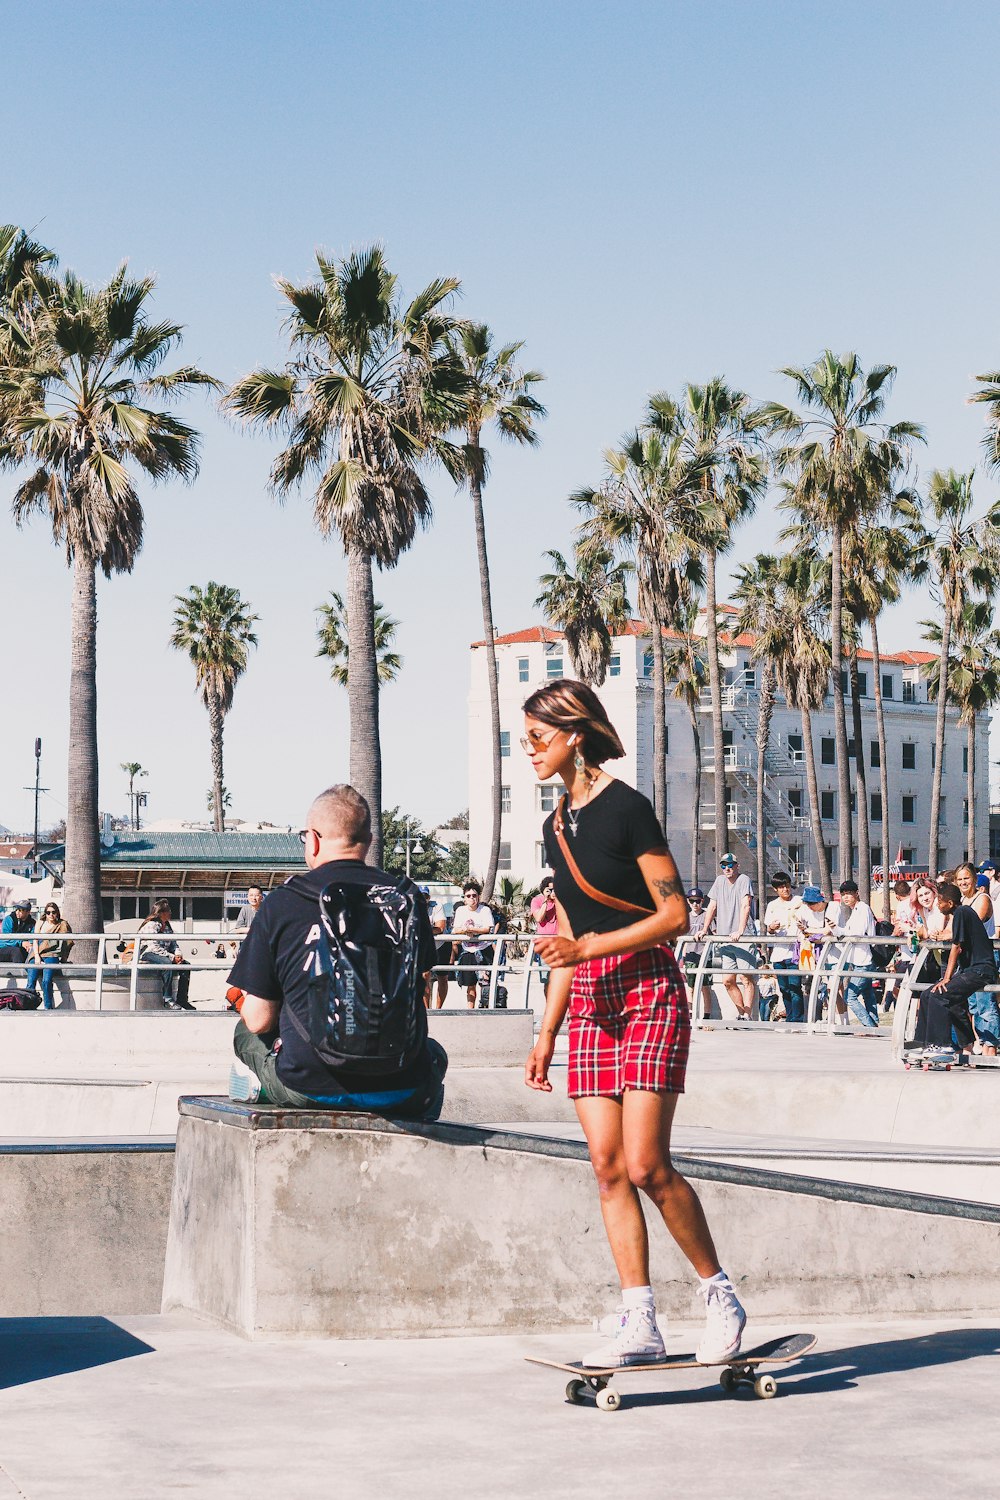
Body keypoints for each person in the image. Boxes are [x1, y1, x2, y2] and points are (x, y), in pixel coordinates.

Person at [521, 678, 746, 1370]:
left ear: (575, 736)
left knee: (648, 1163)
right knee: (607, 1168)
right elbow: (566, 933)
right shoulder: (554, 828)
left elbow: (674, 916)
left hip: (647, 990)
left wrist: (587, 947)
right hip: (589, 999)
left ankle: (719, 1296)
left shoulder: (628, 809)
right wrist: (546, 1034)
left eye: (537, 738)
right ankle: (639, 1316)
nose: (528, 752)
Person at [226, 783, 447, 1118]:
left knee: (244, 1032)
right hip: (401, 1085)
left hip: (309, 1086)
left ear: (313, 839)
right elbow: (419, 989)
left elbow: (259, 1020)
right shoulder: (407, 898)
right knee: (435, 1053)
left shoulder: (283, 903)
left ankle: (258, 1086)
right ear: (369, 842)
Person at [911, 881, 998, 1060]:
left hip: (981, 970)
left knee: (939, 995)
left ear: (949, 903)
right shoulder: (959, 913)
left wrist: (947, 978)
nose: (937, 904)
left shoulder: (962, 912)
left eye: (940, 901)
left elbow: (956, 947)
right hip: (969, 970)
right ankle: (923, 1043)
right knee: (928, 994)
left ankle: (942, 1045)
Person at [701, 854, 757, 1019]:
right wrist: (705, 929)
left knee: (746, 978)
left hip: (743, 937)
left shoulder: (743, 880)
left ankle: (747, 1016)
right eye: (724, 865)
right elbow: (712, 905)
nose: (727, 868)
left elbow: (745, 905)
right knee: (727, 981)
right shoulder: (719, 881)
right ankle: (742, 1014)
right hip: (725, 938)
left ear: (737, 865)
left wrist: (740, 930)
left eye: (730, 865)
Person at [955, 862, 999, 1055]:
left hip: (984, 957)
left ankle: (991, 1046)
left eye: (966, 878)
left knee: (985, 1003)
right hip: (968, 958)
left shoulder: (982, 898)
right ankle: (980, 1043)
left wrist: (949, 933)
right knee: (973, 1005)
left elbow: (973, 925)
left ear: (974, 878)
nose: (963, 882)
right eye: (960, 879)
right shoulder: (963, 902)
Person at [825, 880, 879, 1027]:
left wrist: (841, 931)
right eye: (843, 895)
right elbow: (846, 933)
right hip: (858, 961)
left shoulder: (862, 908)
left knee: (850, 997)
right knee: (868, 995)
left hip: (864, 960)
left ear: (856, 893)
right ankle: (873, 1025)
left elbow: (858, 933)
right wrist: (835, 928)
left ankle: (869, 1026)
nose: (846, 897)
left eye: (849, 894)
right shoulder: (855, 911)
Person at [138, 901, 195, 1010]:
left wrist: (178, 954)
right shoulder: (151, 925)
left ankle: (182, 999)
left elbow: (173, 943)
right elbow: (153, 947)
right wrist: (171, 957)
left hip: (164, 954)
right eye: (168, 910)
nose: (170, 912)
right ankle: (167, 998)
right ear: (160, 913)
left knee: (186, 965)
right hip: (148, 953)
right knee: (167, 964)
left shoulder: (168, 927)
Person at [763, 873, 804, 1024]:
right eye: (781, 887)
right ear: (775, 889)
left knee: (795, 987)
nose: (785, 889)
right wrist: (772, 928)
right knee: (784, 988)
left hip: (795, 952)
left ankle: (797, 1020)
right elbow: (769, 928)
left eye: (787, 885)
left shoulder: (799, 901)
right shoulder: (772, 905)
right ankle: (790, 1017)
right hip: (779, 953)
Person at [451, 881, 497, 1008]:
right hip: (467, 951)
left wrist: (473, 930)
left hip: (484, 950)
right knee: (470, 985)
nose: (472, 898)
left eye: (474, 895)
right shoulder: (460, 910)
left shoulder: (485, 910)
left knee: (485, 983)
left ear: (478, 897)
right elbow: (455, 929)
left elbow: (488, 928)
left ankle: (485, 1008)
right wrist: (466, 930)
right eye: (468, 896)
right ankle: (470, 1010)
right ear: (464, 898)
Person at [24, 902, 73, 1010]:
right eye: (48, 912)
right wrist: (36, 956)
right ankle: (28, 1005)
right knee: (31, 980)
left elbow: (68, 942)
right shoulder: (40, 923)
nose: (51, 915)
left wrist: (64, 959)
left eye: (53, 912)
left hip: (52, 953)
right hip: (37, 953)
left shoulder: (62, 924)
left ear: (57, 913)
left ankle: (48, 1007)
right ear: (45, 913)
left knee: (47, 980)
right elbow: (35, 940)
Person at [681, 888, 712, 1018]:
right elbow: (684, 939)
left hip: (704, 956)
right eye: (692, 901)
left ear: (702, 901)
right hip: (690, 956)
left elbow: (714, 933)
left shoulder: (707, 916)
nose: (695, 904)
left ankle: (706, 1016)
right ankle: (691, 1014)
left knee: (705, 987)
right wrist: (682, 956)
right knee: (690, 987)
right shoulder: (686, 918)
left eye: (697, 901)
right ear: (688, 902)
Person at [529, 876, 558, 996]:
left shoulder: (561, 901)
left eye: (554, 889)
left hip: (560, 943)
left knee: (563, 979)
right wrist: (546, 901)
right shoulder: (537, 900)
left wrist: (558, 900)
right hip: (545, 945)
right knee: (547, 980)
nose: (552, 892)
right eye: (549, 890)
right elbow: (539, 918)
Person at [422, 887, 451, 1009]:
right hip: (424, 945)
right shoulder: (410, 907)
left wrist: (420, 929)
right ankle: (426, 1010)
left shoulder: (437, 906)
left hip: (441, 945)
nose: (423, 899)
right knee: (424, 977)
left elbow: (440, 928)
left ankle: (439, 1009)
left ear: (429, 897)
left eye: (425, 896)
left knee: (443, 978)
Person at [1, 900, 35, 974]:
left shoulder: (32, 923)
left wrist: (30, 945)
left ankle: (33, 976)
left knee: (34, 952)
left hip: (22, 949)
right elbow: (6, 939)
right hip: (3, 948)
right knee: (16, 951)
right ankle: (20, 976)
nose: (17, 912)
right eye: (17, 909)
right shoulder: (9, 919)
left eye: (20, 910)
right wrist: (21, 943)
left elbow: (33, 938)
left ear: (28, 912)